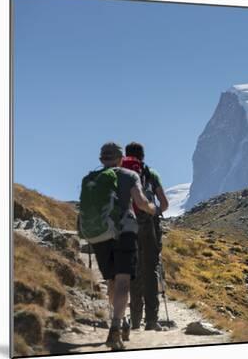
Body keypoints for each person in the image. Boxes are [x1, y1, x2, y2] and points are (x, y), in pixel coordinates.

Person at [89, 142, 157, 350]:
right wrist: (152, 209)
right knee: (123, 281)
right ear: (121, 158)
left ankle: (122, 317)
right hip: (125, 230)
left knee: (111, 280)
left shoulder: (91, 178)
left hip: (101, 235)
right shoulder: (130, 175)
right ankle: (117, 326)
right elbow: (142, 202)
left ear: (101, 159)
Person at [124, 142, 169, 331]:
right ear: (142, 156)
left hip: (126, 226)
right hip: (148, 226)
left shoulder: (120, 173)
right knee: (150, 271)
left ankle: (135, 321)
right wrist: (155, 211)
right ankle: (151, 321)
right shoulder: (150, 173)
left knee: (134, 272)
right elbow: (164, 203)